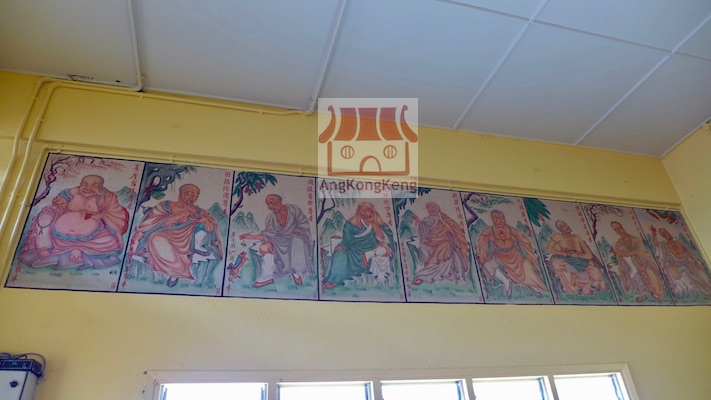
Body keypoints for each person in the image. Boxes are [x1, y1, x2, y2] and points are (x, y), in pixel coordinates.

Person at [20, 174, 129, 269]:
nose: (88, 188)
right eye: (85, 184)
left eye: (94, 185)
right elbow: (59, 203)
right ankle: (51, 249)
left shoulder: (107, 197)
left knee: (108, 240)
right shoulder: (72, 192)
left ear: (100, 187)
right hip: (62, 234)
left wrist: (100, 215)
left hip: (93, 234)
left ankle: (78, 250)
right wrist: (55, 209)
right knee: (45, 221)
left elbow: (114, 212)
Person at [130, 184, 223, 287]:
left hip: (187, 237)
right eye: (190, 193)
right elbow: (159, 223)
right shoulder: (166, 206)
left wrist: (204, 220)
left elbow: (211, 228)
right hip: (165, 233)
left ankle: (175, 274)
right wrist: (179, 216)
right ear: (181, 194)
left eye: (196, 195)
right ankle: (177, 272)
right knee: (156, 238)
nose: (193, 197)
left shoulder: (200, 212)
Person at [239, 194, 313, 286]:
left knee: (297, 241)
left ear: (279, 201)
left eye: (271, 203)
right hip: (278, 241)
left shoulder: (294, 210)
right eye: (267, 204)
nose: (269, 207)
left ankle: (296, 271)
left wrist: (299, 230)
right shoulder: (271, 217)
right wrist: (252, 237)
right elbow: (268, 234)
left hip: (295, 238)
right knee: (264, 247)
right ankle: (267, 277)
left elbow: (303, 223)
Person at [476, 209, 547, 298]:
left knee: (526, 264)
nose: (499, 220)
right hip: (498, 255)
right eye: (495, 218)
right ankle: (506, 282)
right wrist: (488, 238)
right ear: (493, 219)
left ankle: (532, 285)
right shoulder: (489, 230)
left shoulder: (511, 229)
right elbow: (482, 238)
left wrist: (516, 238)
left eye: (501, 218)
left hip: (515, 255)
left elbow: (523, 238)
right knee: (488, 264)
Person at [322, 202, 394, 289]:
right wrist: (343, 245)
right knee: (339, 253)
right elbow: (347, 240)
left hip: (371, 248)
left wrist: (384, 244)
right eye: (364, 213)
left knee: (383, 251)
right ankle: (334, 280)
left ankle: (369, 259)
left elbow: (386, 235)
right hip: (354, 250)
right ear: (360, 213)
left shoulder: (376, 221)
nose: (367, 217)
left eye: (369, 213)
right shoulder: (350, 223)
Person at [410, 202, 469, 285]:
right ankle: (427, 269)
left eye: (433, 210)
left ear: (438, 210)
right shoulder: (428, 219)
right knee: (423, 246)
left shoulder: (445, 219)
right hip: (432, 242)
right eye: (429, 211)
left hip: (445, 244)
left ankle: (422, 276)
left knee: (444, 247)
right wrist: (420, 222)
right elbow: (425, 229)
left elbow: (456, 230)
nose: (431, 212)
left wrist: (448, 227)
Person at [545, 220, 608, 295]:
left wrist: (577, 255)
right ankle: (572, 288)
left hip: (579, 259)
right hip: (566, 258)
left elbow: (589, 255)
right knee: (557, 263)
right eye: (562, 226)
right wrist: (564, 253)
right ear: (560, 229)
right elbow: (549, 248)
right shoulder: (558, 236)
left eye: (565, 224)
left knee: (594, 269)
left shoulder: (577, 237)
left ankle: (591, 287)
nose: (565, 226)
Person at [610, 221, 667, 302]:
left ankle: (656, 293)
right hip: (630, 265)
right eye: (616, 230)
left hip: (641, 263)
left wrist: (632, 253)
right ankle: (645, 294)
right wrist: (620, 254)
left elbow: (642, 251)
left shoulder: (634, 239)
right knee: (635, 276)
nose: (619, 231)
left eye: (619, 228)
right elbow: (619, 255)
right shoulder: (618, 243)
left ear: (623, 228)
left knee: (650, 273)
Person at [651, 226, 711, 296]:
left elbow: (686, 251)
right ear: (662, 235)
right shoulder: (664, 244)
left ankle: (708, 289)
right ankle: (705, 291)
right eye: (663, 232)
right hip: (676, 263)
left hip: (686, 261)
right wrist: (654, 234)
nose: (666, 233)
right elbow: (656, 244)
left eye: (665, 231)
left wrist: (695, 261)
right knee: (689, 275)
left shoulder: (677, 241)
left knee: (697, 275)